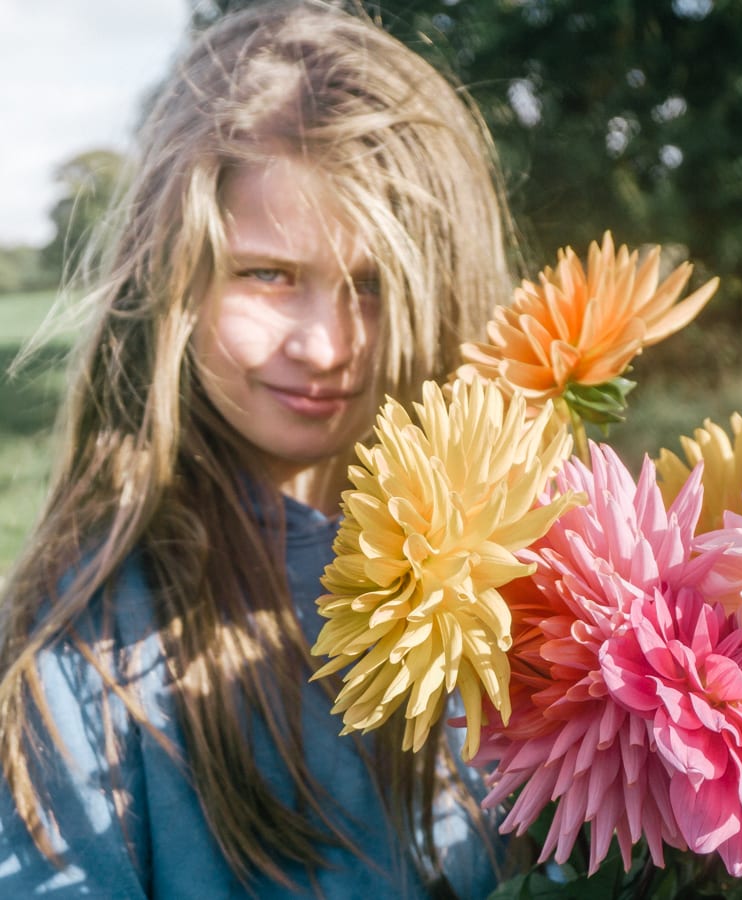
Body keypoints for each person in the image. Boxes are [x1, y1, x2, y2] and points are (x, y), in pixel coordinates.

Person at [0, 1, 519, 895]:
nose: (325, 346)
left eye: (372, 283)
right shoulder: (79, 667)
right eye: (268, 275)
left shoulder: (546, 581)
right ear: (174, 282)